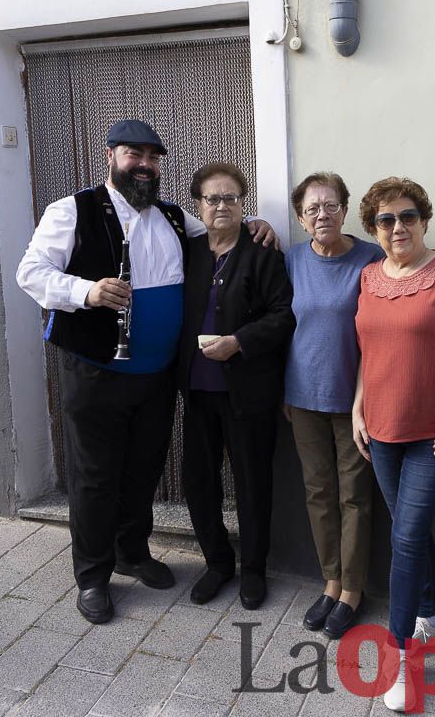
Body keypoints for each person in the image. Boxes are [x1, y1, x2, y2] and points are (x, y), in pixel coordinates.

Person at [16, 120, 276, 625]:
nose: (145, 164)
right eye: (135, 154)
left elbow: (224, 227)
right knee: (95, 477)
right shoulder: (72, 210)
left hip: (156, 376)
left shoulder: (177, 217)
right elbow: (30, 272)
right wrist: (85, 292)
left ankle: (133, 552)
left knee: (142, 470)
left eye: (153, 158)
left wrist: (258, 224)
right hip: (95, 370)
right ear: (110, 156)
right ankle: (93, 576)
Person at [351, 177, 435, 712]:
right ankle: (432, 617)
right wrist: (358, 406)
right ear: (374, 229)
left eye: (407, 216)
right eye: (385, 220)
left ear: (424, 220)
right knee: (413, 531)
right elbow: (367, 348)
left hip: (434, 433)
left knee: (404, 539)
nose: (397, 227)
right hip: (379, 430)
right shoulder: (367, 277)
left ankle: (401, 656)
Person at [176, 162, 295, 610]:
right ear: (199, 205)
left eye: (230, 198)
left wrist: (239, 343)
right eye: (212, 198)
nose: (221, 205)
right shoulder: (188, 251)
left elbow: (283, 316)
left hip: (248, 391)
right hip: (197, 390)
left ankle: (254, 570)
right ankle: (217, 563)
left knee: (251, 481)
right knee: (198, 480)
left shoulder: (263, 252)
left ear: (243, 204)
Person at [283, 172, 383, 639]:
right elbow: (282, 324)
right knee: (318, 493)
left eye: (330, 205)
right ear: (302, 219)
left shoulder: (370, 258)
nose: (322, 214)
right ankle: (330, 581)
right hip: (302, 396)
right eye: (311, 208)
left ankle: (353, 591)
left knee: (354, 496)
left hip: (355, 400)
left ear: (344, 209)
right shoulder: (292, 260)